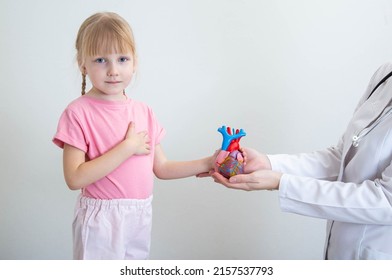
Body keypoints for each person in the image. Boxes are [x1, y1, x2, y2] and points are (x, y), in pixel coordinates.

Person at [53, 12, 215, 260]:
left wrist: (208, 163)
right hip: (102, 220)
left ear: (135, 62)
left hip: (140, 215)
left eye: (122, 59)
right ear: (82, 64)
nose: (113, 70)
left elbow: (162, 167)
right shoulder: (78, 112)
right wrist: (127, 147)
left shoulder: (143, 111)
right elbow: (74, 178)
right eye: (100, 60)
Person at [211, 62, 392, 260]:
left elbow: (386, 200)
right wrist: (268, 163)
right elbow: (342, 158)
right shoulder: (385, 73)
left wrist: (282, 182)